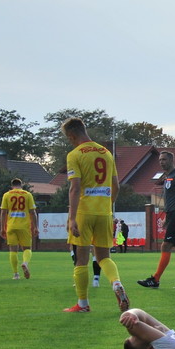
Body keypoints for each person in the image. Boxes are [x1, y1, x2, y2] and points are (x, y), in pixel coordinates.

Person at [61, 116, 130, 313]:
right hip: (104, 212)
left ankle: (82, 304)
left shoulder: (75, 154)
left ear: (72, 135)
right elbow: (116, 186)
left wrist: (72, 217)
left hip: (84, 211)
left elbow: (75, 188)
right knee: (103, 257)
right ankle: (116, 283)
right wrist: (107, 206)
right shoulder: (106, 153)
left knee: (81, 259)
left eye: (69, 138)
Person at [138, 151, 175, 289]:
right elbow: (171, 200)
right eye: (160, 160)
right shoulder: (167, 176)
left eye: (164, 159)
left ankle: (155, 279)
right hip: (172, 214)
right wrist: (166, 218)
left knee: (166, 245)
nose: (161, 162)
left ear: (171, 160)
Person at [0, 179, 37, 279]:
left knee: (13, 250)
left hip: (11, 226)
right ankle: (25, 263)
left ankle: (16, 274)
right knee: (27, 248)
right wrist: (35, 227)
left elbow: (3, 212)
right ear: (21, 185)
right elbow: (33, 212)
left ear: (12, 186)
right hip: (24, 226)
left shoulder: (6, 195)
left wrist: (2, 228)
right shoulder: (27, 194)